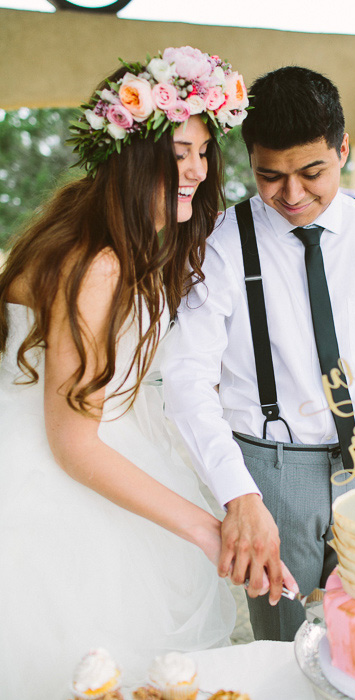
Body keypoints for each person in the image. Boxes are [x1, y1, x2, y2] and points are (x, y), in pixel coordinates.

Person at [0, 47, 257, 700]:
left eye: (203, 151)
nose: (197, 170)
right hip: (57, 479)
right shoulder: (96, 264)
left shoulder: (96, 230)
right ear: (132, 158)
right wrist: (203, 527)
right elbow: (74, 443)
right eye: (178, 156)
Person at [162, 66, 355, 642]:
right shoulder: (218, 244)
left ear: (342, 148)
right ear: (249, 161)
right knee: (283, 647)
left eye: (312, 172)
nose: (291, 195)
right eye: (270, 176)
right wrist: (239, 493)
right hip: (270, 471)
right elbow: (186, 379)